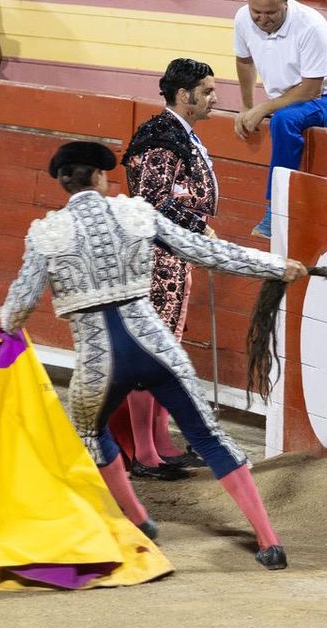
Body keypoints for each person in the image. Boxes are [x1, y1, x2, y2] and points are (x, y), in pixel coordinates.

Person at [0, 140, 307, 570]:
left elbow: (20, 306)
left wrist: (3, 322)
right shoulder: (134, 213)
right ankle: (269, 541)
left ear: (64, 183)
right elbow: (206, 251)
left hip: (98, 362)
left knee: (90, 434)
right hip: (156, 346)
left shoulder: (46, 234)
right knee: (209, 437)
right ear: (100, 177)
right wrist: (275, 266)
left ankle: (138, 518)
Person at [109, 57, 221, 481]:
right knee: (152, 350)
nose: (214, 98)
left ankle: (159, 443)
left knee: (165, 348)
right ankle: (144, 453)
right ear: (183, 95)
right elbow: (153, 201)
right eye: (207, 91)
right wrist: (198, 227)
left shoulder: (175, 134)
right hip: (155, 255)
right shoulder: (163, 138)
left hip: (169, 253)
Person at [233, 0, 327, 239]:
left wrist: (263, 108)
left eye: (271, 13)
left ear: (285, 4)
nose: (262, 19)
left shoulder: (311, 25)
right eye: (256, 12)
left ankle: (277, 210)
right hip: (290, 103)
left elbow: (311, 90)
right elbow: (244, 60)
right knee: (283, 117)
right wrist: (247, 106)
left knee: (284, 120)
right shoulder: (242, 18)